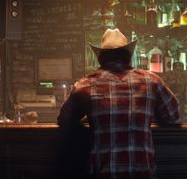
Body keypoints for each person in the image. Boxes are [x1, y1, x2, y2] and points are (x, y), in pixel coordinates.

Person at [57, 28, 179, 179]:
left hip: (103, 173)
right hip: (142, 173)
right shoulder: (151, 81)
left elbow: (64, 119)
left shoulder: (85, 85)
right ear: (128, 56)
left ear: (100, 58)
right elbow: (172, 116)